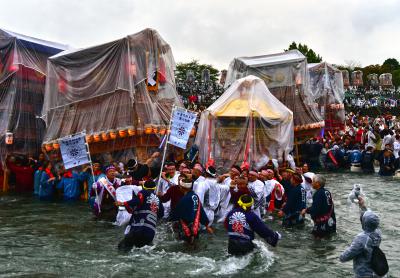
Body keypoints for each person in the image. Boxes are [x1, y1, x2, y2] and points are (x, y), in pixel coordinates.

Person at [339, 197, 384, 278]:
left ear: (364, 223)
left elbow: (348, 254)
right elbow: (371, 218)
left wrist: (341, 257)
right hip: (376, 271)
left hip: (365, 273)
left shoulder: (362, 238)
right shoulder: (378, 232)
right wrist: (362, 206)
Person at [117, 180, 164, 251]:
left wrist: (123, 203)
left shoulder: (143, 192)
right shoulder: (158, 200)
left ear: (144, 187)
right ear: (154, 188)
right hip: (150, 233)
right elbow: (161, 214)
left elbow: (137, 201)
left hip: (138, 229)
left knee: (122, 247)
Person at [171, 177, 213, 244]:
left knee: (186, 246)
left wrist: (172, 221)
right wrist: (206, 225)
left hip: (187, 228)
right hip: (195, 227)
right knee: (194, 245)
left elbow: (175, 214)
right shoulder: (195, 196)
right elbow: (200, 211)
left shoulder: (184, 200)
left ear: (182, 187)